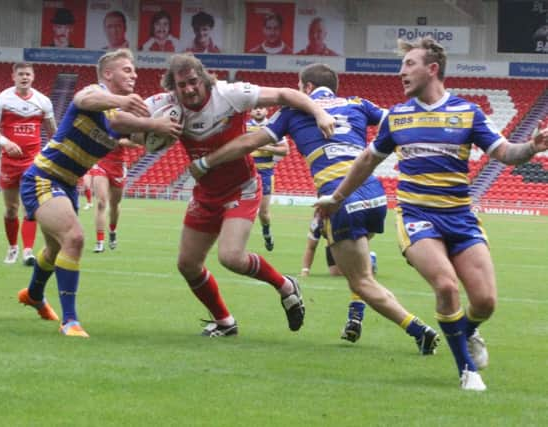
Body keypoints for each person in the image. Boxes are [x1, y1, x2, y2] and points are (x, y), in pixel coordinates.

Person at [315, 37, 548, 391]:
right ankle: (467, 371)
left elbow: (505, 153)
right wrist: (338, 196)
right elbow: (366, 161)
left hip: (461, 218)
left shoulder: (468, 112)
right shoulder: (397, 116)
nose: (401, 72)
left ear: (432, 68)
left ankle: (466, 332)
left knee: (485, 301)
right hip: (416, 217)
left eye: (409, 64)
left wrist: (531, 147)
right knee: (445, 285)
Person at [189, 63, 441, 353]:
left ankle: (418, 330)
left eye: (299, 87)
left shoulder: (293, 111)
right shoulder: (357, 103)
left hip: (339, 196)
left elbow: (248, 142)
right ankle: (355, 316)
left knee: (361, 280)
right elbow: (399, 122)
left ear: (306, 88)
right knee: (359, 270)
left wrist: (206, 162)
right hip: (375, 194)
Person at [151, 53, 334, 337]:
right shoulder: (167, 105)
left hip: (242, 186)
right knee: (187, 264)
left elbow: (285, 94)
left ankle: (286, 286)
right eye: (181, 85)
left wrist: (319, 113)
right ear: (172, 87)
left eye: (192, 82)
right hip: (206, 193)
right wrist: (151, 127)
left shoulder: (229, 94)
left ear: (204, 78)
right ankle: (225, 322)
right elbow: (119, 122)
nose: (188, 89)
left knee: (231, 257)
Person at [16, 48, 182, 337]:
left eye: (134, 70)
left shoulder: (124, 112)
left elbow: (140, 135)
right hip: (42, 178)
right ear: (108, 74)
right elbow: (85, 100)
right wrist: (149, 120)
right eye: (127, 70)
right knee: (74, 238)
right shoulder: (95, 92)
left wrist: (172, 127)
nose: (134, 74)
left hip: (67, 184)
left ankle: (33, 294)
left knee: (56, 248)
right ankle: (70, 321)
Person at [0, 62, 57, 266]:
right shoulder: (3, 99)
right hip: (9, 162)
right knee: (11, 208)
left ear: (33, 77)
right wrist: (5, 142)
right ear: (13, 77)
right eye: (21, 74)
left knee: (30, 207)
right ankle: (12, 247)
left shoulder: (43, 101)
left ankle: (28, 251)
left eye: (28, 74)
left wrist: (50, 155)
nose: (24, 77)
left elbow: (53, 132)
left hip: (33, 161)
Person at [246, 106, 289, 251]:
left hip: (265, 173)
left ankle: (267, 233)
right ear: (250, 112)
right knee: (240, 208)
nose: (258, 111)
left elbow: (285, 150)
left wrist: (266, 147)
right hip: (246, 174)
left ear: (267, 111)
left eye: (261, 108)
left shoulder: (273, 127)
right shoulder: (244, 127)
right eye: (255, 108)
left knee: (263, 213)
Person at [90, 140, 138, 253]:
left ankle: (112, 231)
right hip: (100, 163)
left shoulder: (124, 124)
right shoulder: (99, 123)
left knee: (114, 204)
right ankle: (99, 242)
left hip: (118, 166)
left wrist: (121, 141)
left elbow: (136, 144)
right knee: (101, 203)